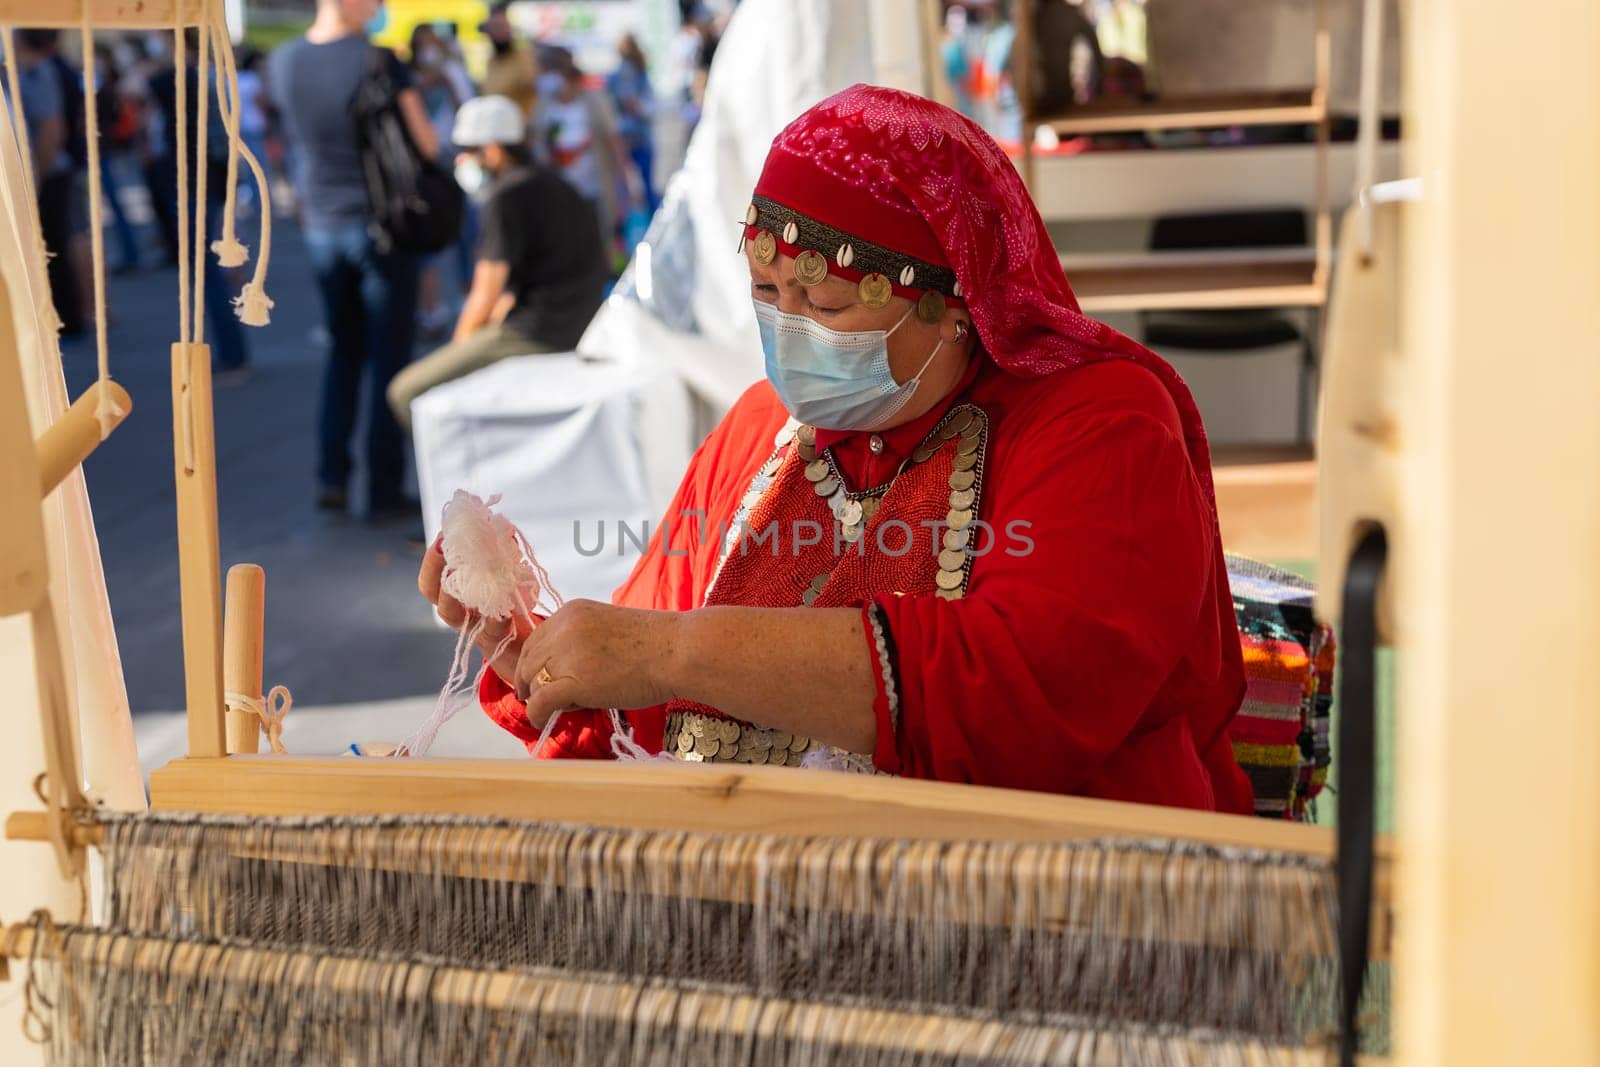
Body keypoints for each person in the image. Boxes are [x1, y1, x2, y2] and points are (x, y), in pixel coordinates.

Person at [418, 85, 1254, 814]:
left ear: (955, 300)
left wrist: (667, 649)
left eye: (824, 299)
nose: (788, 329)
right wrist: (540, 657)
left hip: (1054, 912)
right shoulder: (759, 427)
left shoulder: (1100, 420)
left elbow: (1017, 693)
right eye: (767, 293)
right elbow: (650, 712)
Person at [270, 0, 439, 518]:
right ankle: (383, 490)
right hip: (380, 225)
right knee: (389, 359)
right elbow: (426, 145)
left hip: (321, 223)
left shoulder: (283, 61)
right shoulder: (379, 60)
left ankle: (333, 476)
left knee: (344, 352)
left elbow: (287, 142)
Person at [386, 95, 605, 431]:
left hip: (538, 335)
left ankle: (454, 476)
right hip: (573, 325)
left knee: (405, 391)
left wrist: (457, 358)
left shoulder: (506, 197)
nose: (461, 159)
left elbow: (484, 293)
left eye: (468, 150)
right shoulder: (551, 183)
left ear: (493, 150)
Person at [150, 29, 252, 379]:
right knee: (207, 270)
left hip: (191, 181)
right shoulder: (212, 78)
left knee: (203, 273)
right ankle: (233, 352)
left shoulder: (175, 78)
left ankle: (233, 355)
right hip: (209, 180)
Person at [531, 45, 634, 273]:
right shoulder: (544, 105)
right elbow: (538, 142)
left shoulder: (594, 99)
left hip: (596, 186)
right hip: (562, 189)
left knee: (602, 238)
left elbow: (613, 141)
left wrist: (625, 182)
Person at [605, 33, 657, 216]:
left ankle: (642, 225)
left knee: (633, 188)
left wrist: (637, 107)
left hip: (633, 137)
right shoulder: (619, 76)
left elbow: (647, 106)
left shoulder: (635, 74)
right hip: (632, 138)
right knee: (640, 187)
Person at [477, 2, 536, 118]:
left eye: (501, 27)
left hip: (518, 126)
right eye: (494, 28)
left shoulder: (524, 58)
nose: (498, 34)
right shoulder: (492, 61)